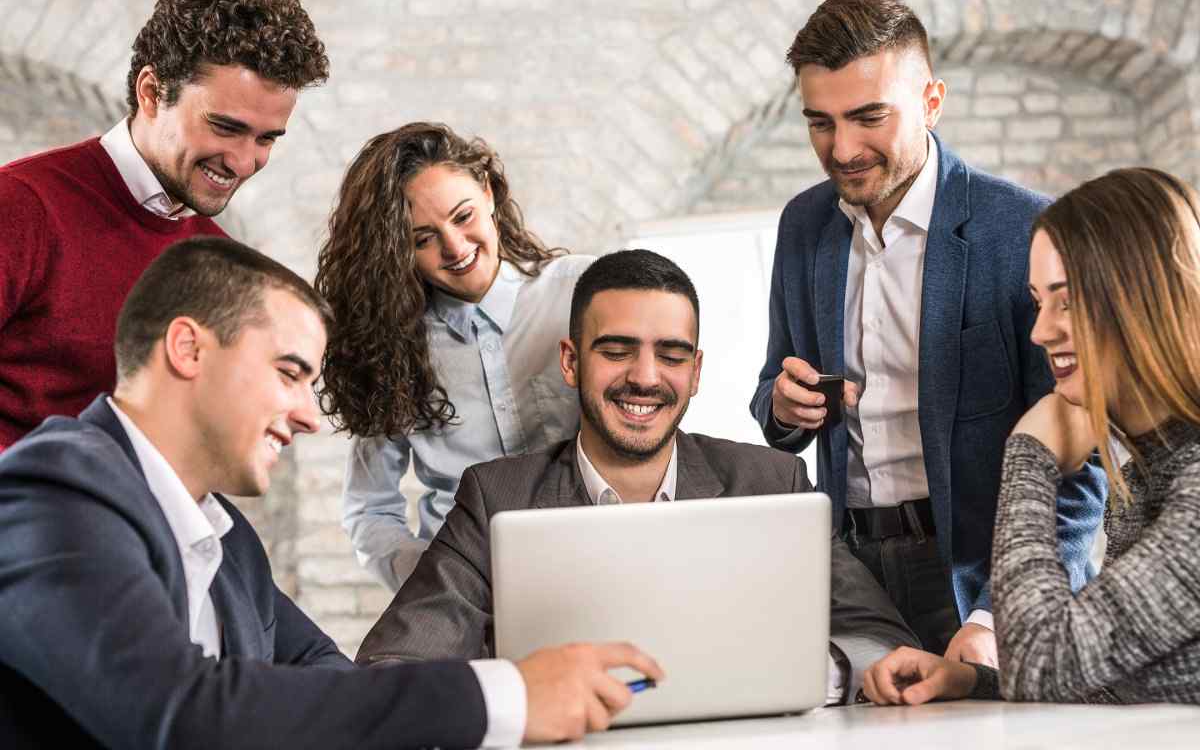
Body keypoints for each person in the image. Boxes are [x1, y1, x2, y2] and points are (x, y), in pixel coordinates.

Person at [0, 237, 662, 749]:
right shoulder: (53, 491)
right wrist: (508, 695)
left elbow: (332, 682)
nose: (311, 417)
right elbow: (180, 714)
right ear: (188, 349)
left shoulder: (228, 542)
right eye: (290, 374)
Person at [358, 249, 921, 704]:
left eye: (672, 355)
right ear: (571, 361)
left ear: (696, 372)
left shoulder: (773, 481)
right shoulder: (495, 497)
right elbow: (391, 667)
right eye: (618, 351)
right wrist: (520, 693)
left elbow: (882, 640)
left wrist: (803, 676)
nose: (645, 377)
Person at [750, 0, 1106, 665]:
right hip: (850, 575)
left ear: (932, 102)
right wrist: (784, 404)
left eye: (868, 117)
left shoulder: (1026, 230)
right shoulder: (803, 226)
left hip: (980, 578)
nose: (842, 148)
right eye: (819, 123)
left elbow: (1081, 461)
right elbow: (774, 393)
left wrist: (999, 613)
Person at [863, 168, 1200, 706]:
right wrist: (974, 682)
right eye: (1038, 302)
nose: (1040, 331)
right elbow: (1115, 684)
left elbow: (1042, 664)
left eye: (1066, 301)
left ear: (1144, 298)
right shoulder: (1150, 464)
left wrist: (1032, 453)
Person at [0, 0, 328, 451]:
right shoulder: (22, 207)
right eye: (225, 127)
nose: (242, 162)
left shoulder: (219, 262)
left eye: (266, 139)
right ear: (152, 93)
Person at [315, 122, 593, 591]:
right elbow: (369, 510)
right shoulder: (392, 347)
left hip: (592, 567)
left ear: (487, 192)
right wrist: (433, 579)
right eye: (422, 239)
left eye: (462, 216)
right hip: (467, 592)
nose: (455, 248)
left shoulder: (581, 291)